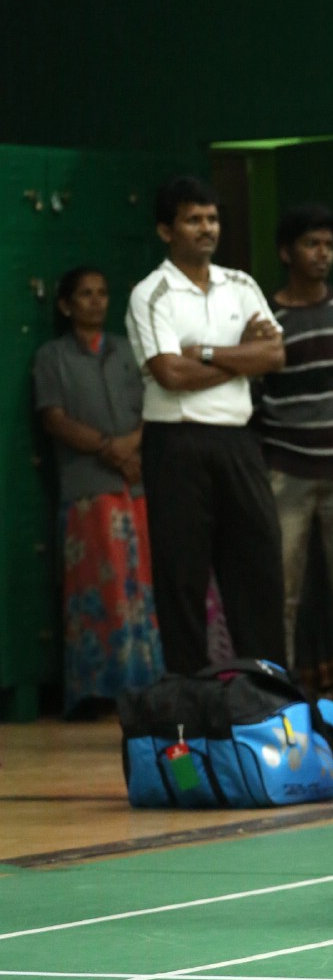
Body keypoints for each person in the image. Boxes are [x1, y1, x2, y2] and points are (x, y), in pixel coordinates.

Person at [125, 175, 287, 674]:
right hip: (176, 442)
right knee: (182, 574)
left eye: (212, 218)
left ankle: (264, 691)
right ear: (165, 230)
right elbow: (169, 373)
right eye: (193, 219)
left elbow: (276, 354)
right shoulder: (151, 293)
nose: (206, 228)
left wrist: (210, 353)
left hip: (237, 440)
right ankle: (190, 695)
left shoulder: (241, 284)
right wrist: (243, 357)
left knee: (258, 565)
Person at [259, 205, 333, 721]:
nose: (322, 253)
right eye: (312, 244)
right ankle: (278, 697)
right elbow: (257, 393)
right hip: (286, 469)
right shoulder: (266, 318)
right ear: (287, 252)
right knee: (282, 594)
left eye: (328, 244)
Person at [33, 266, 162, 714]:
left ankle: (147, 686)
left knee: (142, 588)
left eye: (102, 293)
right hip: (88, 488)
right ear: (66, 305)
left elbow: (153, 404)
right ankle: (99, 690)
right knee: (98, 591)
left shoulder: (129, 350)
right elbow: (54, 418)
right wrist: (110, 448)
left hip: (135, 483)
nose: (95, 301)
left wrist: (131, 447)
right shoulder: (53, 356)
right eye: (85, 294)